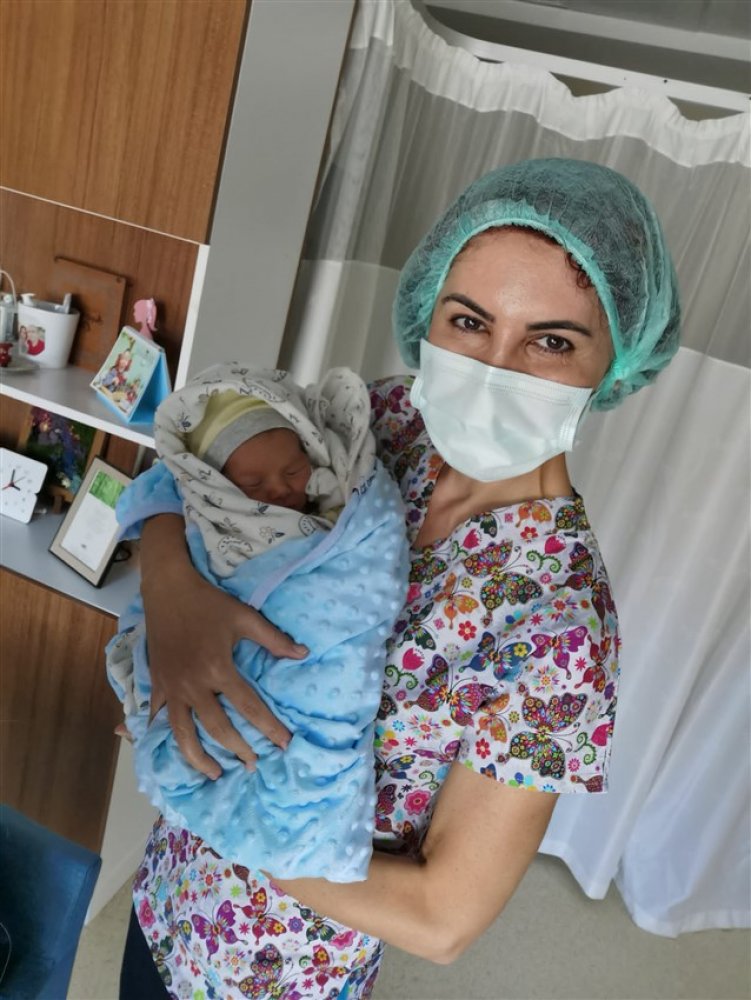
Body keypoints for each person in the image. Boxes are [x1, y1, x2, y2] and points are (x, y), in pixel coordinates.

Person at [119, 158, 680, 999]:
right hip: (167, 893)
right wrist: (170, 594)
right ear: (428, 312)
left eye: (552, 341)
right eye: (469, 321)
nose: (495, 367)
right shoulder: (380, 424)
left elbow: (441, 919)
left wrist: (224, 810)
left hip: (274, 973)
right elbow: (189, 469)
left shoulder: (559, 634)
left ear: (616, 362)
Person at [107, 364, 409, 885]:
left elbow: (357, 560)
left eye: (293, 472)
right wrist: (167, 577)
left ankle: (295, 828)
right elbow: (168, 487)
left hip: (296, 925)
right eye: (252, 484)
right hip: (174, 879)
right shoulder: (213, 510)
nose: (281, 491)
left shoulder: (346, 491)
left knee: (293, 768)